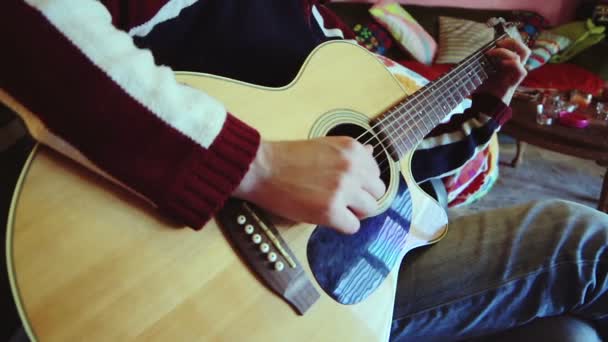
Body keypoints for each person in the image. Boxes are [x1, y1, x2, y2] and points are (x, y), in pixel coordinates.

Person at [1, 1, 606, 341]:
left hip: (356, 280)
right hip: (187, 278)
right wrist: (255, 166)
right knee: (589, 244)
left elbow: (398, 161)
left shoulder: (327, 31)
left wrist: (488, 101)